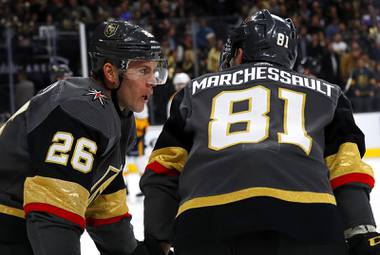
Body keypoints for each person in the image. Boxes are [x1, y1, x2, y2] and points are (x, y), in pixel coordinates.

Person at [140, 9, 380, 255]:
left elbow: (163, 171)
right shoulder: (328, 94)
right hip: (310, 222)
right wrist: (362, 230)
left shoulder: (193, 92)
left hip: (207, 224)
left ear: (241, 52)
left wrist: (158, 239)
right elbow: (347, 168)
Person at [0, 20, 168, 255]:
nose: (153, 81)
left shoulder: (120, 116)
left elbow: (106, 212)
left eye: (155, 70)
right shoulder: (82, 109)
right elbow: (53, 214)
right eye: (143, 70)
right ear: (110, 72)